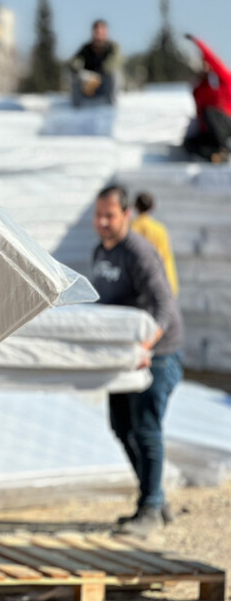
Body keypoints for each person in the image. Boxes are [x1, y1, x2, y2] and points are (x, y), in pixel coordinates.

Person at [91, 185, 184, 537]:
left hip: (156, 355)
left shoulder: (139, 252)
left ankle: (150, 507)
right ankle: (155, 496)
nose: (102, 222)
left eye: (110, 216)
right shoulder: (101, 252)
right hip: (124, 356)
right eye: (98, 215)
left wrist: (147, 346)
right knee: (121, 427)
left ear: (126, 215)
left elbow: (164, 305)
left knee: (146, 429)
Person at [182, 35, 231, 163]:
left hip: (227, 125)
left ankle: (224, 147)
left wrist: (198, 43)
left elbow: (214, 61)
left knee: (210, 112)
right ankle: (215, 156)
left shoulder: (224, 82)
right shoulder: (200, 90)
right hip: (211, 133)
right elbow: (199, 114)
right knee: (188, 143)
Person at [131, 192, 179, 296]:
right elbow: (164, 257)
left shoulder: (129, 229)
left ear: (135, 206)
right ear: (152, 207)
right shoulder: (160, 229)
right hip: (160, 283)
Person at [69, 19, 121, 107]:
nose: (99, 34)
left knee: (114, 74)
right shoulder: (86, 48)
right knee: (76, 75)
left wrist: (100, 73)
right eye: (97, 31)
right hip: (89, 85)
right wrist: (77, 66)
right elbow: (75, 60)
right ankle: (77, 107)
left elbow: (116, 60)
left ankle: (110, 105)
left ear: (106, 32)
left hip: (105, 85)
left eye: (102, 31)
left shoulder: (112, 47)